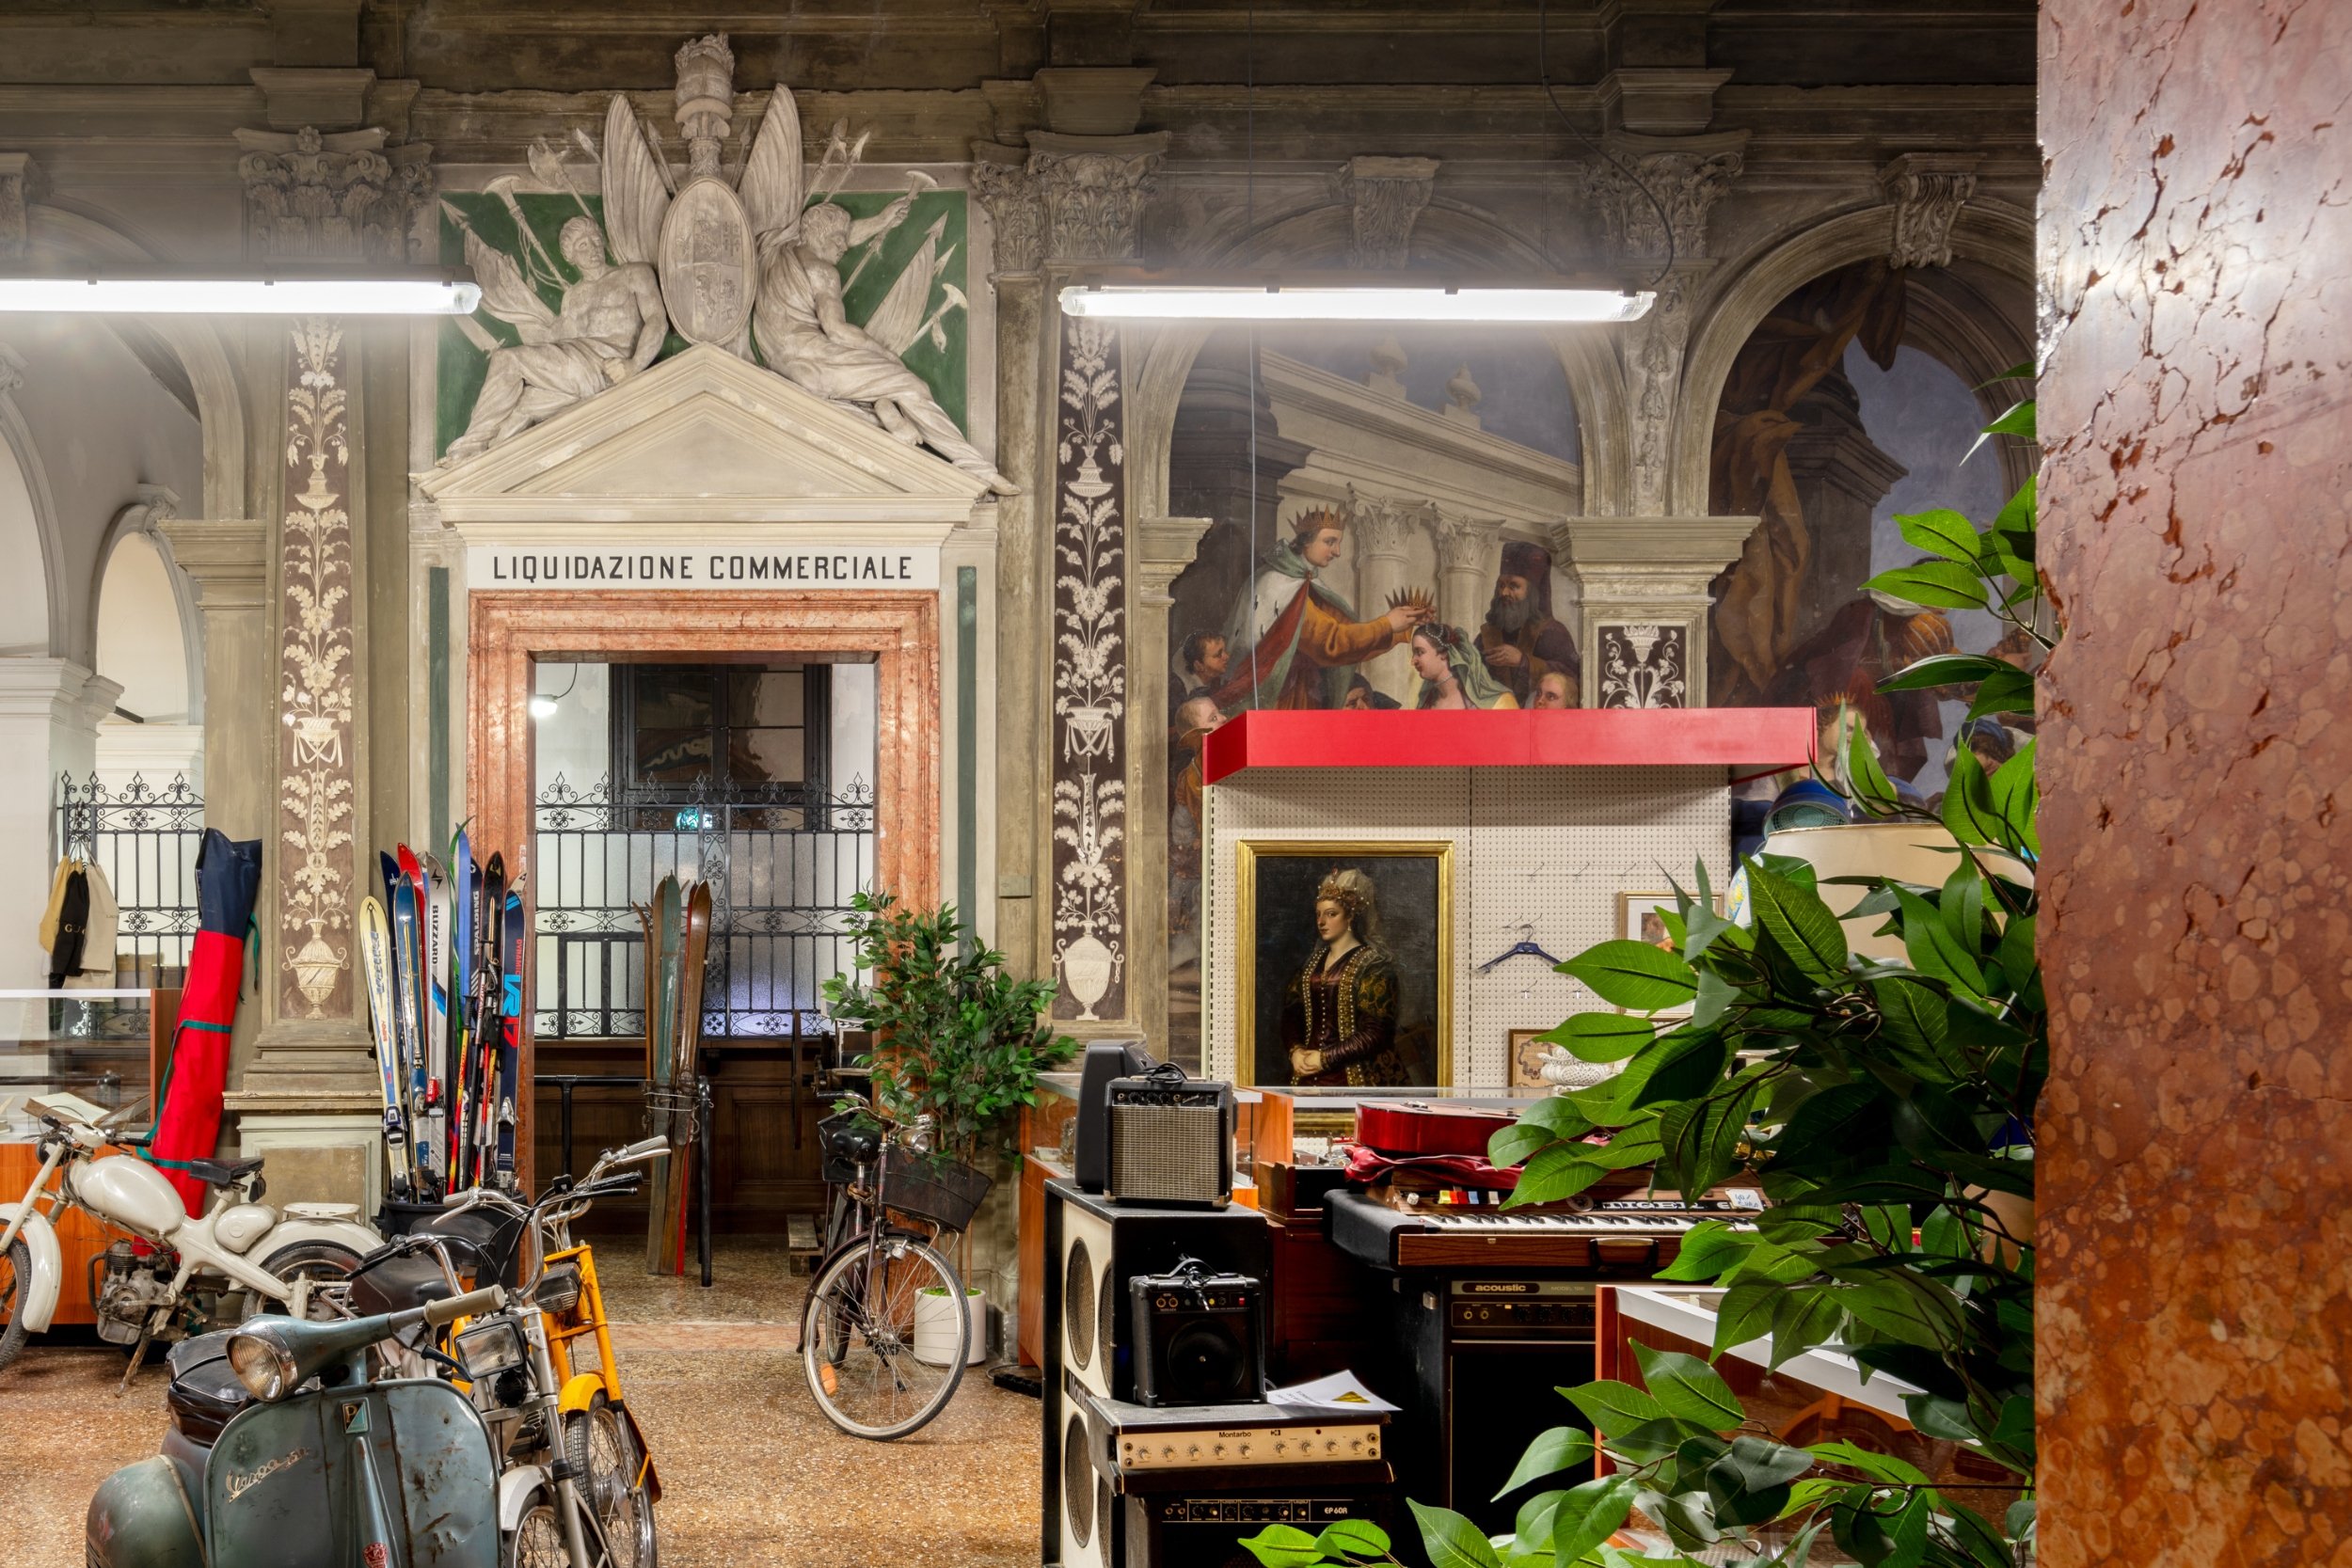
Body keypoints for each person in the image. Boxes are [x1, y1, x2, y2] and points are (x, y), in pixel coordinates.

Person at [754, 200, 1016, 493]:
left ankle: (881, 408)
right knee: (910, 386)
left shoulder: (774, 255)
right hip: (817, 361)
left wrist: (881, 221)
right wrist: (886, 355)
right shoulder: (823, 271)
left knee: (856, 403)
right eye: (840, 239)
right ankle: (975, 467)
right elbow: (837, 331)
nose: (844, 247)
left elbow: (836, 235)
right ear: (818, 235)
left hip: (784, 365)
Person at [442, 217, 667, 466]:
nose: (592, 248)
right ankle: (476, 466)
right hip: (578, 371)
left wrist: (633, 366)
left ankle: (468, 445)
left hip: (604, 367)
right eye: (582, 245)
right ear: (571, 256)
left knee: (506, 359)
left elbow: (657, 320)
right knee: (522, 406)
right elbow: (551, 340)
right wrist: (514, 286)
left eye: (594, 241)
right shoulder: (572, 296)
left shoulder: (632, 274)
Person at [1209, 509, 1431, 710]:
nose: (1337, 552)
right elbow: (1331, 642)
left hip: (1300, 693)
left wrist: (1400, 626)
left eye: (1338, 543)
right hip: (1276, 698)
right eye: (1330, 541)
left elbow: (1350, 640)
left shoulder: (1304, 582)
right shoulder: (1278, 583)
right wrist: (1387, 624)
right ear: (1306, 542)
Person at [1279, 867, 1407, 1087]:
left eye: (1331, 914)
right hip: (1306, 1075)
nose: (1321, 922)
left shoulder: (1374, 965)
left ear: (1350, 917)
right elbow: (1291, 1014)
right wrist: (1296, 1051)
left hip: (1357, 1076)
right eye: (1318, 914)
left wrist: (1325, 1058)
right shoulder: (1312, 964)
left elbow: (1376, 1033)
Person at [1477, 542, 1581, 705]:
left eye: (1513, 586)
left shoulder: (1552, 632)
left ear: (1532, 593)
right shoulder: (1487, 635)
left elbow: (1573, 678)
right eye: (1501, 585)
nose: (1504, 593)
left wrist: (1522, 661)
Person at [1411, 623, 1520, 709]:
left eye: (1420, 652)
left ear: (1444, 654)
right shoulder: (1427, 703)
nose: (1413, 661)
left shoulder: (1500, 703)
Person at [1176, 632, 1230, 706]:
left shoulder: (1216, 683)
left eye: (1224, 651)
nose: (1227, 657)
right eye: (1218, 655)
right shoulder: (1187, 696)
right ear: (1199, 666)